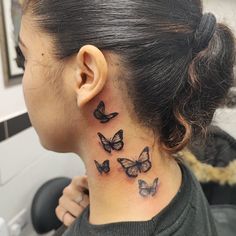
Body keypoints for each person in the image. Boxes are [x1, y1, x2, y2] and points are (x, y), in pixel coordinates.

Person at [18, 0, 235, 235]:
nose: (25, 79)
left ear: (86, 76)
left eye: (25, 59)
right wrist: (89, 213)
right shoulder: (172, 169)